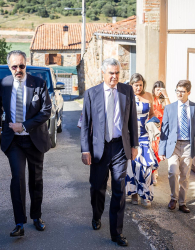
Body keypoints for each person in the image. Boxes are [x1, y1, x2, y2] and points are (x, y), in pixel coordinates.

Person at [0, 50, 52, 237]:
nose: (18, 69)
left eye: (22, 66)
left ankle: (36, 216)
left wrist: (24, 125)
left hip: (34, 139)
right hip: (14, 141)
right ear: (9, 67)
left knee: (36, 180)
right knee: (17, 179)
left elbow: (46, 111)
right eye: (14, 66)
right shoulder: (4, 83)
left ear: (26, 65)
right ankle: (19, 222)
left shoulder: (39, 84)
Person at [81, 58, 138, 247]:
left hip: (120, 148)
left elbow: (132, 121)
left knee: (119, 189)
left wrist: (134, 145)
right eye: (111, 73)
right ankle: (96, 215)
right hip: (99, 149)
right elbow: (85, 125)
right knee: (97, 188)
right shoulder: (91, 94)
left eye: (117, 73)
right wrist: (85, 149)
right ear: (103, 73)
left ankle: (116, 233)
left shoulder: (126, 91)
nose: (114, 77)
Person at [158, 80, 195, 213]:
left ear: (188, 92)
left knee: (185, 175)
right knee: (173, 172)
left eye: (182, 91)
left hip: (188, 145)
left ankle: (182, 203)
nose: (179, 93)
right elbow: (164, 130)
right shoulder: (170, 108)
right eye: (177, 91)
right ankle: (173, 198)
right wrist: (162, 150)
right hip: (173, 145)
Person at [125, 73, 159, 207]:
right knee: (133, 166)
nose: (138, 88)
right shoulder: (127, 97)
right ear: (131, 85)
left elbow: (151, 114)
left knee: (146, 167)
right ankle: (134, 194)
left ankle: (145, 194)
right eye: (135, 85)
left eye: (140, 85)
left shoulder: (149, 96)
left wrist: (154, 123)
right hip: (131, 136)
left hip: (144, 136)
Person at [151, 81, 171, 185]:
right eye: (157, 88)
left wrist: (166, 95)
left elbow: (171, 110)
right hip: (152, 128)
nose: (158, 91)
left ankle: (155, 169)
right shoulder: (150, 99)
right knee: (153, 149)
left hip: (162, 128)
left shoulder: (163, 100)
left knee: (159, 150)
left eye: (161, 89)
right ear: (153, 89)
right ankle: (153, 173)